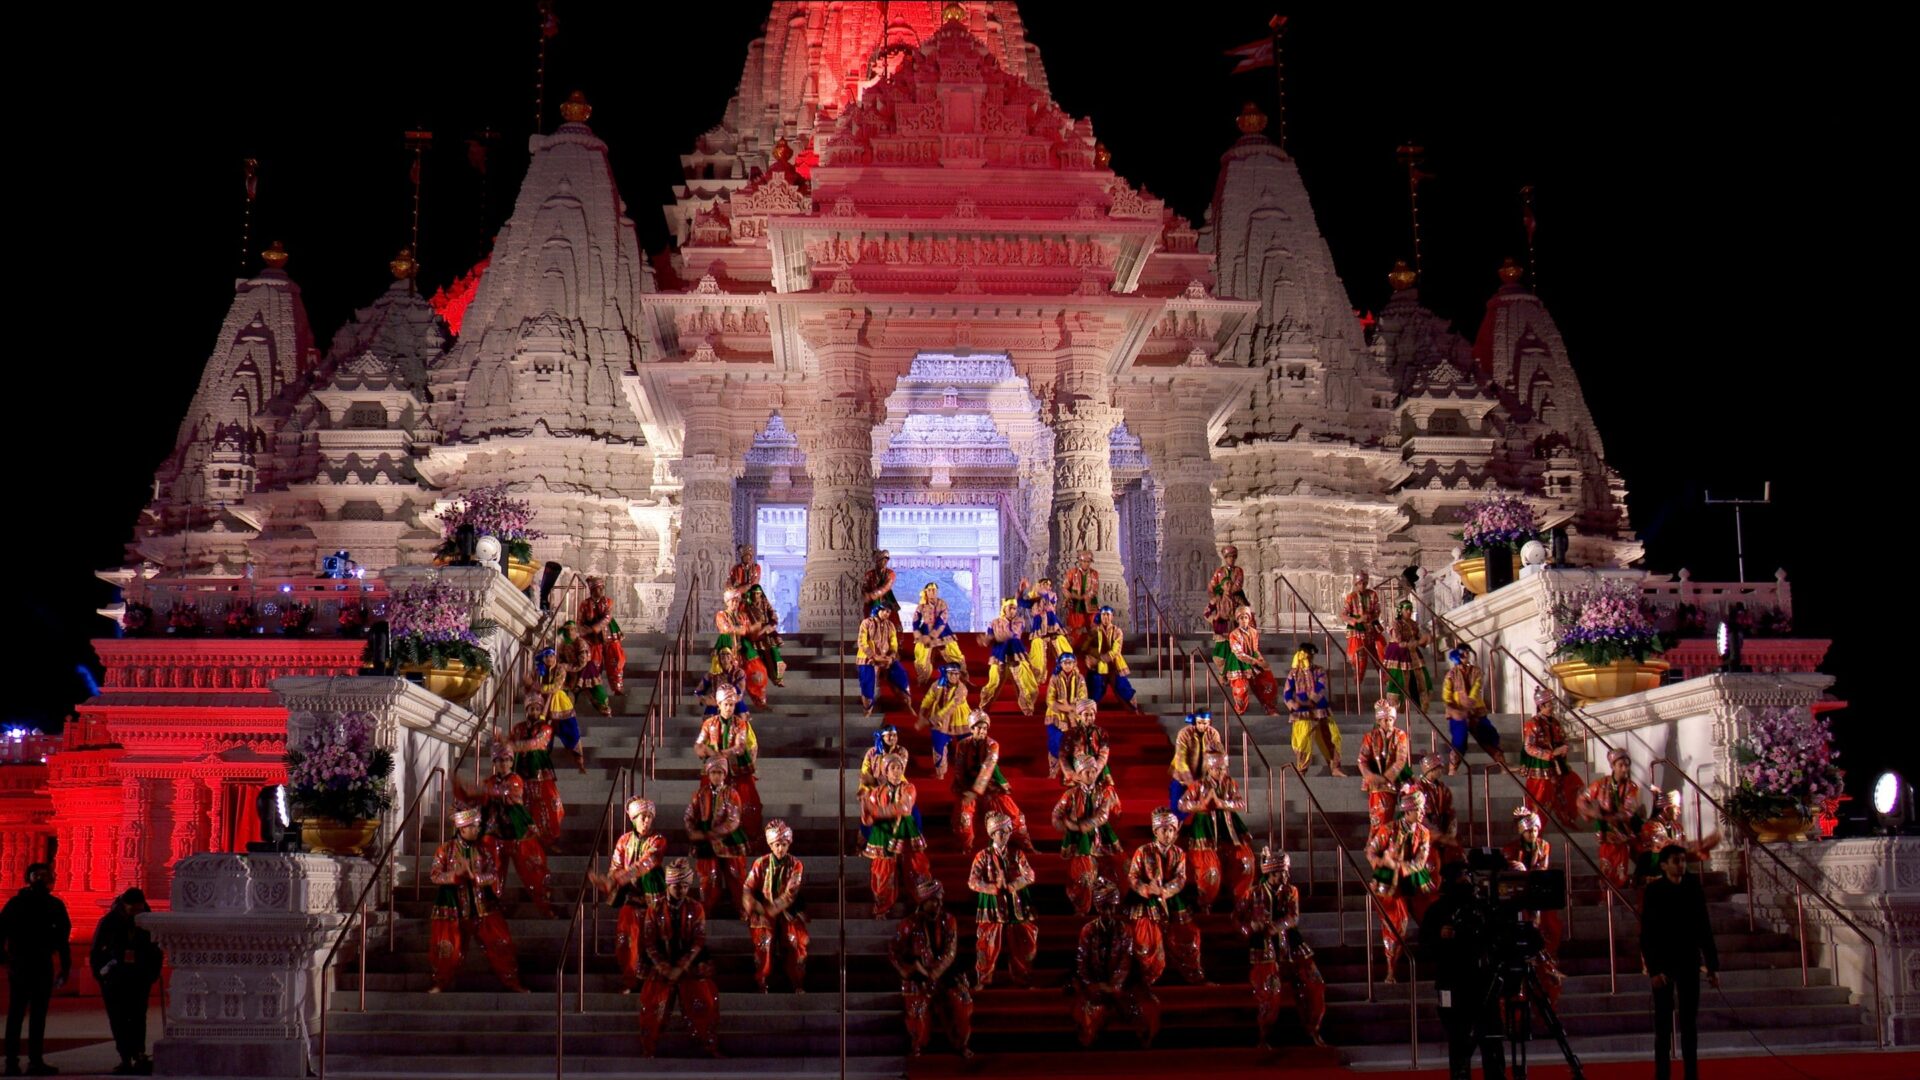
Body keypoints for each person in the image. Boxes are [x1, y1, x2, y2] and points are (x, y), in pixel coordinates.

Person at [1420, 860, 1506, 1080]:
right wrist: (1441, 936)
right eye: (1460, 875)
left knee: (1491, 1040)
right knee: (1459, 1041)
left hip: (1483, 981)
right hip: (1452, 979)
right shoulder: (1437, 911)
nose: (1465, 879)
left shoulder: (1482, 907)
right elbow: (1424, 946)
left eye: (1467, 874)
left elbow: (1496, 938)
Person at [1641, 844, 1720, 1080]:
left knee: (1689, 1024)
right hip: (1664, 963)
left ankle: (1691, 1074)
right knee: (1663, 1025)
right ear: (1664, 865)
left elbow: (1704, 927)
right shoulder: (1654, 891)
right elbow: (1647, 934)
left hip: (1688, 960)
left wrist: (1712, 965)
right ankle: (1662, 1074)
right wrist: (1654, 969)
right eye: (1676, 861)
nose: (1681, 865)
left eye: (1683, 860)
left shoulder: (1693, 887)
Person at [427, 808, 527, 993]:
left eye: (478, 826)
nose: (477, 830)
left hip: (483, 905)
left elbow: (493, 873)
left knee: (501, 942)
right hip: (453, 906)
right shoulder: (445, 850)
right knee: (447, 947)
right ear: (462, 829)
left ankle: (512, 981)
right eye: (473, 827)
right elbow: (434, 875)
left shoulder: (483, 850)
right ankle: (440, 982)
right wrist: (456, 875)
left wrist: (476, 878)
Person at [1237, 849, 1327, 1049]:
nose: (1285, 876)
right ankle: (1264, 1035)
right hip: (1263, 946)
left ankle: (1314, 1030)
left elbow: (1294, 917)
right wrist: (1251, 927)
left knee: (1314, 983)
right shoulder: (1253, 893)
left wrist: (1276, 926)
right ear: (1270, 874)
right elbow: (1237, 918)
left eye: (1286, 872)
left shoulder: (1291, 891)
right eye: (1280, 873)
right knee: (1269, 992)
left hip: (1292, 942)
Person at [637, 859, 721, 1059]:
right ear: (668, 884)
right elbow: (649, 942)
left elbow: (699, 940)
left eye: (685, 885)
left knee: (705, 1003)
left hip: (690, 964)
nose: (681, 890)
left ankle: (709, 1046)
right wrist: (665, 968)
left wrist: (681, 967)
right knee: (652, 1007)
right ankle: (648, 1049)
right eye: (676, 886)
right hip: (661, 964)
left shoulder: (696, 907)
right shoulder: (654, 909)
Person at [1072, 877, 1161, 1049]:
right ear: (1098, 908)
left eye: (1112, 908)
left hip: (1120, 985)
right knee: (1088, 1011)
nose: (1109, 913)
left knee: (1147, 1007)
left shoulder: (1124, 929)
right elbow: (1081, 961)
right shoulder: (1088, 930)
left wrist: (1114, 985)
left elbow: (1125, 961)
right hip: (1094, 984)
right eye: (1105, 908)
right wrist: (1094, 985)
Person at [588, 797, 665, 994]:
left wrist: (616, 880)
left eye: (649, 817)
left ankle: (651, 983)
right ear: (633, 818)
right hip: (630, 900)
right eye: (642, 817)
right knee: (624, 943)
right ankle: (631, 981)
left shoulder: (658, 840)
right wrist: (612, 879)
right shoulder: (624, 841)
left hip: (652, 902)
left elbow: (647, 863)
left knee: (652, 943)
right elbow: (615, 866)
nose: (646, 821)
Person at [890, 876, 973, 1059]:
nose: (938, 905)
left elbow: (951, 951)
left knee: (961, 1002)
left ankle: (962, 1043)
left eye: (939, 901)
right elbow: (895, 951)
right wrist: (907, 969)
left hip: (944, 972)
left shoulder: (949, 920)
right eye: (934, 901)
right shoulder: (909, 924)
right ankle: (918, 1043)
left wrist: (934, 973)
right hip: (918, 975)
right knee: (917, 1009)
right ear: (924, 901)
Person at [469, 739, 554, 917]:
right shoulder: (489, 781)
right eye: (499, 760)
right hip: (494, 832)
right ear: (494, 762)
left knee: (532, 868)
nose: (504, 764)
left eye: (507, 760)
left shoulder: (516, 779)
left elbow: (511, 795)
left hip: (517, 831)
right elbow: (484, 803)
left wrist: (490, 794)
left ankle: (545, 905)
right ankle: (492, 905)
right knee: (491, 868)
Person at [1126, 808, 1207, 985]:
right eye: (1164, 830)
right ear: (1155, 831)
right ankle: (1148, 978)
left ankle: (1192, 975)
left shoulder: (1178, 853)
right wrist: (1147, 889)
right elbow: (1132, 877)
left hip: (1170, 897)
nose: (1168, 834)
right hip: (1147, 900)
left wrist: (1165, 891)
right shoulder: (1143, 851)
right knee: (1147, 939)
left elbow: (1181, 877)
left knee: (1187, 936)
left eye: (1171, 830)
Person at [1, 864, 69, 1077]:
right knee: (17, 1014)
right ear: (28, 878)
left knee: (36, 1015)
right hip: (22, 963)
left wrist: (64, 967)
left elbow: (62, 939)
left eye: (44, 875)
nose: (40, 879)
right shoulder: (16, 904)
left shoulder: (54, 905)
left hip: (40, 963)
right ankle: (13, 1061)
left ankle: (34, 1060)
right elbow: (1, 932)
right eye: (37, 875)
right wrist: (6, 959)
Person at [1366, 786, 1436, 982]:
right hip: (1388, 881)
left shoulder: (1423, 833)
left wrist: (1402, 866)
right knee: (1397, 923)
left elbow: (1420, 860)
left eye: (1423, 809)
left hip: (1412, 878)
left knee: (1431, 911)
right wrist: (1383, 863)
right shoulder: (1388, 829)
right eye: (1418, 810)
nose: (1422, 813)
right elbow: (1371, 851)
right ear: (1408, 811)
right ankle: (1391, 969)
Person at [90, 888, 161, 1076]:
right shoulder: (109, 922)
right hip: (115, 978)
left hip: (139, 977)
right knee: (119, 1018)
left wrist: (152, 973)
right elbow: (96, 951)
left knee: (138, 1017)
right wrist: (102, 975)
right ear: (124, 906)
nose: (136, 914)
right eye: (132, 911)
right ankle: (124, 1057)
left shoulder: (147, 921)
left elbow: (156, 949)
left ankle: (138, 1053)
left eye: (139, 910)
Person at [968, 811, 1038, 988]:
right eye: (1001, 832)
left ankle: (1023, 978)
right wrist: (992, 888)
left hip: (1017, 902)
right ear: (992, 834)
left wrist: (1014, 885)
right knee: (987, 941)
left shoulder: (1017, 854)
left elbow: (1030, 875)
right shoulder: (982, 856)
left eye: (1007, 831)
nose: (1005, 836)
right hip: (992, 903)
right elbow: (973, 881)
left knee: (1024, 939)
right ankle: (983, 979)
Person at [1179, 752, 1254, 912]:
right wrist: (1202, 805)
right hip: (1204, 829)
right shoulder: (1199, 785)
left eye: (1223, 769)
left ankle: (1240, 899)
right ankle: (1205, 901)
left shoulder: (1230, 784)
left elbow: (1240, 803)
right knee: (1209, 869)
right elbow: (1182, 804)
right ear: (1209, 769)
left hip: (1228, 827)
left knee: (1245, 862)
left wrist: (1222, 803)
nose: (1221, 772)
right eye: (1217, 769)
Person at [1053, 748, 1122, 916]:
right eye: (1087, 772)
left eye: (1093, 771)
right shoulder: (1070, 794)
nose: (1091, 775)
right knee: (1083, 876)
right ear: (1079, 774)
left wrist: (1082, 826)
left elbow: (1103, 815)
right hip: (1078, 841)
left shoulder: (1102, 793)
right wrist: (1066, 826)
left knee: (1111, 872)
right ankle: (1082, 908)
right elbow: (1056, 815)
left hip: (1099, 836)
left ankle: (1104, 909)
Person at [743, 820, 808, 993]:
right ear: (771, 845)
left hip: (787, 910)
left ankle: (797, 983)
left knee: (794, 943)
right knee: (764, 942)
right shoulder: (761, 863)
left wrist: (771, 910)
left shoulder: (796, 864)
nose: (780, 849)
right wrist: (752, 904)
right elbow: (748, 887)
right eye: (777, 845)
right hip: (763, 910)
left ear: (789, 844)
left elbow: (790, 894)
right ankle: (761, 981)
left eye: (784, 844)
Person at [949, 712, 1028, 851]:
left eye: (985, 728)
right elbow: (959, 769)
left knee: (1015, 815)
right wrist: (964, 789)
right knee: (963, 818)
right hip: (968, 785)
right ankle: (966, 848)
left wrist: (975, 792)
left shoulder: (992, 745)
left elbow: (988, 768)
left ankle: (1026, 844)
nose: (982, 731)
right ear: (971, 728)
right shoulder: (962, 745)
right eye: (978, 728)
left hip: (991, 784)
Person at [862, 754, 928, 919]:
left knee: (916, 867)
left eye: (899, 768)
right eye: (893, 768)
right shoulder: (876, 793)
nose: (897, 771)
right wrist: (864, 805)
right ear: (885, 771)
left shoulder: (909, 788)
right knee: (882, 871)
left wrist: (876, 811)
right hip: (884, 832)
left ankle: (924, 903)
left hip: (905, 831)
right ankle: (882, 907)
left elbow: (904, 807)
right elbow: (868, 820)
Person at [685, 758, 750, 917]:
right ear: (708, 774)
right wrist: (692, 830)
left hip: (729, 840)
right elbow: (690, 814)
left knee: (735, 873)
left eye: (719, 773)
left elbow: (734, 819)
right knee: (709, 876)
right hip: (706, 842)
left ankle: (742, 907)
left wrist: (714, 833)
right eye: (713, 772)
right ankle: (705, 908)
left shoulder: (732, 793)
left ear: (724, 775)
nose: (716, 776)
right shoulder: (701, 793)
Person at [696, 682, 761, 837]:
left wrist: (749, 765)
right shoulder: (709, 725)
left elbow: (751, 746)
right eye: (726, 704)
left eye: (732, 704)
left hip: (738, 771)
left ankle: (743, 835)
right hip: (715, 771)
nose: (729, 708)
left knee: (744, 803)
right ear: (718, 705)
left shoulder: (742, 725)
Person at [1578, 749, 1646, 890]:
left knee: (1622, 873)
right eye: (1621, 765)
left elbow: (1629, 811)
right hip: (1606, 836)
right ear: (1612, 766)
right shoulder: (1600, 784)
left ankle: (1619, 900)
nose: (1624, 769)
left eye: (1627, 765)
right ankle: (1606, 900)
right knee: (1606, 872)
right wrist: (1593, 812)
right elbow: (1581, 799)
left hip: (1622, 835)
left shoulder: (1631, 787)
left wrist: (1606, 816)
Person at [1520, 687, 1582, 824]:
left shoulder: (1555, 723)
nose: (1552, 708)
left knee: (1569, 788)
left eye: (1552, 704)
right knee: (1540, 797)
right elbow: (1529, 747)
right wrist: (1551, 753)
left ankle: (1568, 818)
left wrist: (1564, 748)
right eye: (1549, 705)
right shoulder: (1532, 724)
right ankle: (1533, 827)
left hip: (1557, 765)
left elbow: (1562, 738)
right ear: (1540, 706)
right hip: (1541, 766)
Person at [1442, 645, 1506, 774]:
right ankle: (1452, 769)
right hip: (1458, 713)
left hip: (1476, 711)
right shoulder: (1451, 674)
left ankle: (1503, 765)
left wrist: (1469, 703)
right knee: (1459, 740)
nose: (1466, 656)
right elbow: (1446, 695)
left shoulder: (1476, 671)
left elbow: (1476, 688)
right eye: (1463, 654)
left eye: (1467, 653)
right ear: (1457, 656)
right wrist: (1454, 710)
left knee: (1489, 736)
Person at [1284, 643, 1346, 776]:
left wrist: (1311, 700)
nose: (1308, 657)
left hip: (1319, 708)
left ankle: (1335, 767)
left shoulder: (1319, 670)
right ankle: (1302, 769)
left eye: (1310, 655)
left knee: (1331, 736)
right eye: (1305, 654)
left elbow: (1320, 687)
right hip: (1301, 711)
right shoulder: (1293, 673)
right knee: (1302, 740)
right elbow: (1287, 692)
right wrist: (1291, 703)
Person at [509, 706, 568, 841]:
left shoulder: (545, 728)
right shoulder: (518, 728)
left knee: (550, 804)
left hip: (540, 770)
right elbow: (510, 743)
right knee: (524, 804)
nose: (534, 712)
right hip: (521, 771)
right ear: (526, 710)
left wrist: (512, 745)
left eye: (537, 709)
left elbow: (535, 743)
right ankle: (527, 839)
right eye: (531, 709)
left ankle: (549, 838)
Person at [1357, 699, 1414, 830]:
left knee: (1388, 820)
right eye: (1385, 720)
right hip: (1375, 785)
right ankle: (1377, 845)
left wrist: (1385, 778)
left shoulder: (1400, 735)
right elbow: (1362, 759)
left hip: (1393, 783)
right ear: (1378, 721)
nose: (1388, 723)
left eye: (1390, 719)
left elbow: (1401, 760)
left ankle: (1382, 844)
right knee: (1378, 821)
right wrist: (1368, 775)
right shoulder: (1370, 736)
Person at [857, 602, 913, 718]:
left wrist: (891, 657)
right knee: (867, 683)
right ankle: (867, 710)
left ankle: (907, 704)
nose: (886, 613)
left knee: (901, 674)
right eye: (884, 610)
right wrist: (873, 656)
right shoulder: (867, 623)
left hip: (886, 658)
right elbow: (862, 642)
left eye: (888, 611)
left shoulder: (890, 625)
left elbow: (894, 644)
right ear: (877, 610)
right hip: (867, 659)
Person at [1224, 606, 1281, 716]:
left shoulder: (1254, 632)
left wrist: (1261, 661)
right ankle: (1239, 712)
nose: (1244, 620)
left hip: (1253, 659)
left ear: (1249, 619)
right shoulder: (1234, 634)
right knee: (1241, 689)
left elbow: (1255, 649)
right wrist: (1257, 662)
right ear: (1238, 620)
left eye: (1246, 617)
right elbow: (1239, 654)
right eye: (1241, 618)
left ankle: (1269, 707)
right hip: (1239, 663)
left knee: (1268, 682)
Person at [919, 662, 972, 780]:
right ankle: (940, 772)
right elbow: (928, 698)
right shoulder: (937, 685)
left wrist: (931, 720)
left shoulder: (961, 689)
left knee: (967, 746)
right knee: (938, 745)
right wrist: (922, 714)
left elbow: (951, 706)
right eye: (952, 674)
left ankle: (968, 772)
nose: (955, 677)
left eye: (957, 674)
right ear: (946, 674)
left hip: (959, 720)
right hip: (940, 722)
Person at [1168, 710, 1225, 820]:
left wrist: (1213, 776)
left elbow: (1217, 755)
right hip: (1182, 776)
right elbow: (1181, 759)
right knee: (1177, 807)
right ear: (1195, 722)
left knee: (1210, 808)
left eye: (1205, 723)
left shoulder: (1213, 734)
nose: (1203, 726)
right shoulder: (1184, 733)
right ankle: (1176, 830)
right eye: (1200, 723)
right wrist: (1190, 782)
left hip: (1204, 776)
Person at [979, 598, 1035, 709]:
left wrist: (993, 637)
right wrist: (985, 640)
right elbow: (988, 638)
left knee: (1026, 683)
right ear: (1004, 609)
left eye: (1014, 608)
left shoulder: (1020, 621)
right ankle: (984, 708)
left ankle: (1027, 709)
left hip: (1016, 654)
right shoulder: (994, 623)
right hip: (999, 655)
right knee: (993, 683)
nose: (1013, 611)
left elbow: (1012, 635)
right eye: (1010, 608)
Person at [579, 575, 626, 697]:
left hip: (609, 634)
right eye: (596, 589)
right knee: (594, 663)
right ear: (592, 590)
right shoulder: (584, 604)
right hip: (593, 639)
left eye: (601, 588)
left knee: (616, 660)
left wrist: (594, 628)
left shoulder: (608, 602)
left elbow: (607, 617)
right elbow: (580, 622)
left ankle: (618, 688)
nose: (599, 591)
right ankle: (594, 690)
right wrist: (585, 631)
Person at [1084, 606, 1139, 711]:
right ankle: (1088, 709)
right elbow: (1088, 646)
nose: (1105, 617)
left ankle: (1133, 708)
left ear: (1112, 616)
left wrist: (1099, 659)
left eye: (1108, 615)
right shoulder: (1095, 630)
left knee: (1123, 688)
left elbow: (1115, 651)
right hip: (1098, 666)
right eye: (1103, 615)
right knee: (1095, 688)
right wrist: (1089, 657)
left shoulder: (1117, 631)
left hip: (1114, 664)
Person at [1043, 653, 1088, 778]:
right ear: (1060, 664)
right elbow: (1050, 700)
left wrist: (1073, 709)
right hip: (1056, 716)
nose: (1067, 665)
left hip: (1074, 718)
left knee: (1075, 744)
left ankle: (1072, 773)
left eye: (1070, 663)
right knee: (1055, 743)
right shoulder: (1055, 678)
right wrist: (1067, 708)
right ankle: (1054, 771)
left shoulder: (1080, 678)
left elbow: (1083, 698)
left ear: (1074, 664)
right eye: (1065, 663)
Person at [1205, 546, 1250, 668]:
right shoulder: (1219, 571)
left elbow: (1238, 585)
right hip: (1221, 599)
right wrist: (1216, 596)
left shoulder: (1238, 571)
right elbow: (1212, 585)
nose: (1231, 560)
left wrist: (1230, 592)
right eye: (1228, 557)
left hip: (1235, 598)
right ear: (1225, 558)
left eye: (1233, 557)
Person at [1382, 599, 1431, 712]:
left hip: (1413, 654)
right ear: (1401, 611)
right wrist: (1417, 643)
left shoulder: (1414, 624)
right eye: (1406, 609)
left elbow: (1419, 637)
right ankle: (1396, 708)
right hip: (1398, 655)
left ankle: (1422, 705)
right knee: (1399, 679)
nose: (1409, 611)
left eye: (1410, 609)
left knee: (1422, 678)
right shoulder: (1396, 624)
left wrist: (1426, 639)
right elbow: (1400, 642)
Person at [1416, 754, 1464, 871]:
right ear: (1430, 769)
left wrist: (1450, 832)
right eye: (1438, 768)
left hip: (1441, 826)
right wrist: (1438, 836)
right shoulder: (1417, 788)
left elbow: (1450, 812)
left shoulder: (1443, 789)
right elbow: (1419, 816)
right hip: (1424, 832)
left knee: (1455, 848)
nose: (1441, 770)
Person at [912, 584, 964, 687]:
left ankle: (962, 678)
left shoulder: (942, 603)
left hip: (943, 632)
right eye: (930, 590)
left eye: (934, 590)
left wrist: (932, 635)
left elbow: (942, 620)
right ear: (926, 592)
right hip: (925, 632)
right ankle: (923, 680)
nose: (932, 592)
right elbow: (915, 620)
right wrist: (917, 633)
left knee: (955, 655)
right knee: (920, 657)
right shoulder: (922, 605)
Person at [1341, 572, 1385, 684]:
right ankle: (1358, 682)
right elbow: (1343, 615)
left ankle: (1386, 679)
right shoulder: (1351, 597)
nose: (1362, 586)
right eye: (1359, 583)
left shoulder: (1372, 594)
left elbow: (1377, 610)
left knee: (1380, 653)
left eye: (1364, 583)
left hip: (1371, 629)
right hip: (1357, 631)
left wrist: (1370, 617)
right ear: (1356, 584)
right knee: (1360, 657)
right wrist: (1356, 620)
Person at [742, 583, 786, 688]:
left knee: (774, 654)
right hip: (752, 635)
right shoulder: (747, 606)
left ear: (761, 594)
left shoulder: (766, 604)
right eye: (754, 594)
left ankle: (778, 678)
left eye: (758, 594)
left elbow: (774, 619)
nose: (756, 596)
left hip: (767, 633)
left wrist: (766, 629)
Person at [1062, 549, 1101, 654]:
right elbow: (1065, 587)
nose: (1086, 564)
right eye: (1084, 561)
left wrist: (1082, 597)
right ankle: (1070, 652)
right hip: (1076, 605)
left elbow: (1094, 589)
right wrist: (1069, 596)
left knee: (1094, 629)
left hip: (1090, 605)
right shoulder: (1072, 573)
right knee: (1074, 629)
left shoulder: (1094, 574)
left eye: (1088, 562)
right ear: (1080, 561)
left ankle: (1091, 651)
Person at [862, 549, 900, 620]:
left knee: (892, 622)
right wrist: (865, 594)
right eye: (882, 559)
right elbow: (864, 587)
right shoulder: (869, 574)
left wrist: (873, 595)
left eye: (886, 560)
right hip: (872, 603)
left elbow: (886, 587)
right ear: (877, 561)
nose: (885, 562)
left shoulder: (890, 573)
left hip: (887, 600)